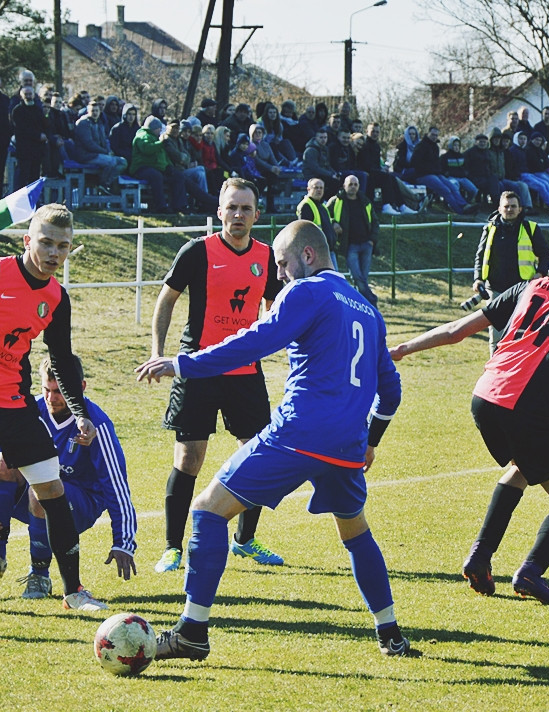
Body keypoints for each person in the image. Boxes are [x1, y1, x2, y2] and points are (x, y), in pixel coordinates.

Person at [136, 220, 412, 660]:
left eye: (282, 264)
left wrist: (184, 364)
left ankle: (192, 631)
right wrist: (371, 440)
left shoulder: (306, 291)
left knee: (207, 510)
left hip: (299, 433)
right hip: (347, 445)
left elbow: (256, 341)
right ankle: (390, 633)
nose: (278, 275)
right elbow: (391, 391)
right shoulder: (367, 308)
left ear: (308, 255)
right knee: (356, 534)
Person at [390, 227, 549, 605]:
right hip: (523, 404)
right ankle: (530, 572)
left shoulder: (527, 287)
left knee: (523, 468)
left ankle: (480, 557)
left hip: (484, 397)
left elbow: (456, 331)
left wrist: (402, 349)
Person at [150, 178, 285, 574]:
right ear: (220, 211)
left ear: (256, 215)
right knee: (189, 457)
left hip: (245, 371)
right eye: (232, 207)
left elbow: (275, 306)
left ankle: (245, 540)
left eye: (246, 208)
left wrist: (268, 339)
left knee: (257, 454)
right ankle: (172, 548)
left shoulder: (267, 257)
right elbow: (166, 299)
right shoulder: (197, 251)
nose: (238, 215)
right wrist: (158, 352)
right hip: (198, 368)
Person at [0, 204, 106, 610]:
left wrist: (80, 412)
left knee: (52, 491)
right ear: (28, 240)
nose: (53, 253)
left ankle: (73, 592)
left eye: (62, 246)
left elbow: (60, 358)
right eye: (46, 242)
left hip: (14, 405)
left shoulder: (57, 298)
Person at [1, 356, 137, 599]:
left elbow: (116, 484)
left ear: (80, 387)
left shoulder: (96, 423)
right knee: (3, 464)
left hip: (82, 502)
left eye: (59, 392)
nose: (51, 398)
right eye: (47, 389)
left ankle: (39, 576)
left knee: (39, 491)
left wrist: (123, 542)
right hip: (40, 490)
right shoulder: (32, 412)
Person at [472, 191, 549, 352]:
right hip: (495, 289)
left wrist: (540, 273)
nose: (509, 210)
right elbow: (480, 255)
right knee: (496, 335)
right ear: (499, 208)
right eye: (506, 206)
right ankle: (495, 365)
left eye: (513, 206)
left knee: (522, 333)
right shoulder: (489, 229)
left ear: (520, 209)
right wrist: (478, 279)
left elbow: (545, 255)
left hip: (523, 290)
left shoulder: (531, 228)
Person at [327, 175, 379, 306]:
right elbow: (325, 215)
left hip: (366, 244)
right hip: (350, 246)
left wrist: (372, 240)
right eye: (350, 184)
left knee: (363, 278)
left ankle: (361, 305)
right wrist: (333, 223)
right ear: (344, 186)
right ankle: (372, 301)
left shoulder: (365, 201)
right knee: (357, 278)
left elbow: (375, 222)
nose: (353, 187)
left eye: (355, 184)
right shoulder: (336, 201)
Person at [130, 116, 187, 214]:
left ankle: (179, 206)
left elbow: (164, 157)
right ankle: (161, 206)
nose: (160, 131)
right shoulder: (142, 136)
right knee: (156, 176)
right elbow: (147, 149)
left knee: (178, 176)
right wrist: (161, 143)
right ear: (154, 128)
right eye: (159, 129)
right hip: (141, 168)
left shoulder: (156, 138)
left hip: (155, 167)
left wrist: (168, 166)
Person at [296, 178, 339, 268]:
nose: (319, 190)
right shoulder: (306, 205)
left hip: (328, 249)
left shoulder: (322, 205)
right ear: (308, 189)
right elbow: (305, 231)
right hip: (317, 252)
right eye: (316, 187)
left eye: (321, 188)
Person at [10, 86, 47, 189]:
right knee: (22, 178)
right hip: (24, 151)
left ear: (34, 95)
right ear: (21, 96)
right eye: (26, 94)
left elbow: (43, 126)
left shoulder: (38, 110)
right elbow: (21, 130)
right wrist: (38, 136)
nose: (28, 96)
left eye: (30, 94)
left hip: (37, 150)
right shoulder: (17, 110)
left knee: (34, 178)